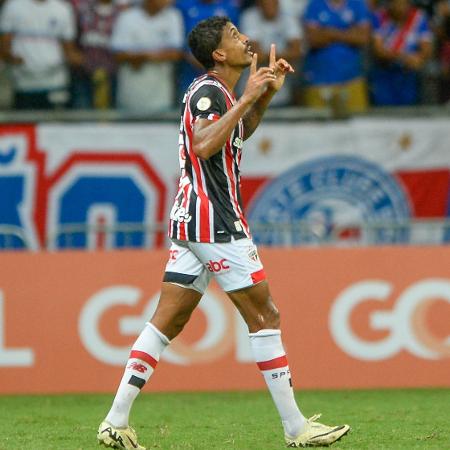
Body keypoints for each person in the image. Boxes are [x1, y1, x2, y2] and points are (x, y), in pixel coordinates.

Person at [97, 16, 350, 450]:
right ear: (218, 54)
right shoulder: (208, 91)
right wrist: (247, 95)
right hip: (214, 221)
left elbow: (237, 131)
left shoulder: (222, 94)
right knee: (265, 316)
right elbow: (202, 144)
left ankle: (115, 421)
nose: (245, 38)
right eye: (234, 36)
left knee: (168, 320)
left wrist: (262, 96)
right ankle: (296, 428)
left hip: (193, 221)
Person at [0, 0, 83, 110]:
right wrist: (12, 58)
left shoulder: (63, 8)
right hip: (23, 82)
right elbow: (4, 44)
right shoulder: (13, 6)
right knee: (24, 122)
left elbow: (68, 48)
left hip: (55, 81)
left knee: (54, 125)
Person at [110, 0, 184, 114]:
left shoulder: (173, 16)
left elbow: (175, 54)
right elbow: (118, 54)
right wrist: (158, 54)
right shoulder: (127, 17)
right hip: (129, 97)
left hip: (161, 98)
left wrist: (140, 57)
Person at [302, 0, 371, 114]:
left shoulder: (357, 4)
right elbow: (313, 39)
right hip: (320, 82)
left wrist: (329, 32)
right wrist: (348, 32)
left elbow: (363, 37)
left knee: (358, 126)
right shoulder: (315, 4)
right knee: (316, 128)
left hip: (352, 80)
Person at [240, 0, 302, 106]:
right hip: (253, 92)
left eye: (273, 3)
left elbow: (297, 52)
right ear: (259, 4)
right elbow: (256, 55)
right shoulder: (249, 17)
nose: (269, 6)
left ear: (278, 3)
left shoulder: (288, 18)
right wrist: (284, 58)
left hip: (282, 92)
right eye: (266, 3)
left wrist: (268, 55)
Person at [370, 0, 433, 106]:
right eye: (396, 3)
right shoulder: (379, 17)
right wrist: (403, 57)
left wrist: (419, 59)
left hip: (409, 78)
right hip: (385, 76)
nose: (400, 7)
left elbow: (427, 50)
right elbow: (378, 51)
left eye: (403, 3)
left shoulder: (418, 18)